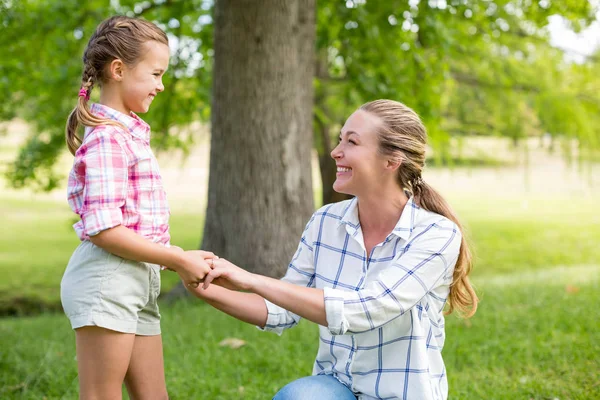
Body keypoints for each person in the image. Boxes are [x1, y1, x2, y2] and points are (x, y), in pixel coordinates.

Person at [190, 99, 478, 400]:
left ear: (391, 161)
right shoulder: (326, 221)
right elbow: (279, 310)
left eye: (351, 142)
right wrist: (201, 283)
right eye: (340, 139)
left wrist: (251, 279)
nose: (335, 151)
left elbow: (366, 309)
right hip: (336, 387)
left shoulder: (436, 234)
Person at [60, 16, 214, 399]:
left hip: (137, 279)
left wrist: (173, 256)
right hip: (106, 280)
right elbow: (105, 230)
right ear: (118, 70)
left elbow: (135, 225)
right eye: (156, 74)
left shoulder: (128, 136)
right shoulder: (108, 141)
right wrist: (177, 259)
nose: (162, 86)